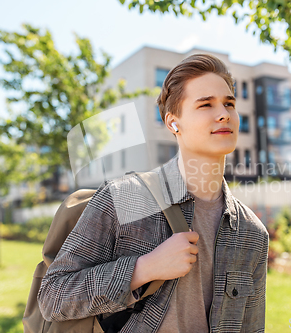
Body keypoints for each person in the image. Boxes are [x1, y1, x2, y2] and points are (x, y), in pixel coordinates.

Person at [38, 53, 269, 333]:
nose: (224, 114)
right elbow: (53, 296)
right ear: (173, 122)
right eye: (206, 104)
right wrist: (144, 269)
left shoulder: (252, 232)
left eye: (229, 103)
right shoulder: (123, 198)